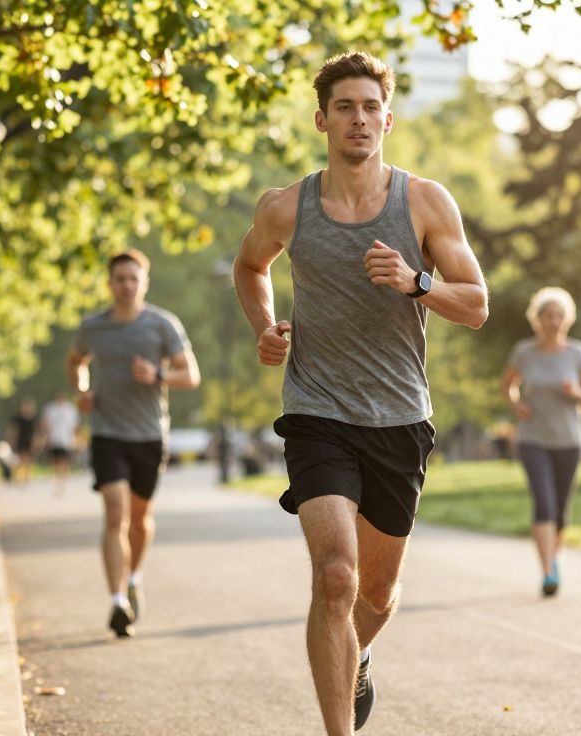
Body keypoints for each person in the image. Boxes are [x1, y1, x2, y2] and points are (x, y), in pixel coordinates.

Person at [232, 51, 488, 734]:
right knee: (338, 578)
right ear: (321, 119)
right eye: (345, 106)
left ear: (389, 120)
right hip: (317, 410)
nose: (359, 118)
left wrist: (417, 282)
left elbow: (478, 304)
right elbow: (250, 266)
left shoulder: (426, 202)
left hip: (401, 417)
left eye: (371, 107)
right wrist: (266, 327)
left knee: (375, 593)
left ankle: (358, 655)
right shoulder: (287, 207)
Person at [66, 249, 201, 638]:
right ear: (110, 283)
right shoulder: (93, 327)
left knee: (140, 519)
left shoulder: (162, 325)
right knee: (115, 514)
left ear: (144, 283)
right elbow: (75, 361)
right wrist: (82, 391)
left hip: (149, 434)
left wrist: (157, 374)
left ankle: (134, 578)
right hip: (107, 433)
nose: (126, 285)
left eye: (133, 278)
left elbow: (190, 376)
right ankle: (116, 602)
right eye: (119, 278)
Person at [500, 286, 581, 597]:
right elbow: (508, 386)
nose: (554, 321)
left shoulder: (578, 352)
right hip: (533, 439)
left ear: (566, 319)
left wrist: (576, 393)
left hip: (570, 440)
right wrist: (515, 404)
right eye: (548, 315)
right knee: (543, 503)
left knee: (560, 511)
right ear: (538, 319)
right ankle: (547, 572)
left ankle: (553, 559)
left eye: (559, 316)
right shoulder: (524, 352)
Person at [40, 392, 80, 495]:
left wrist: (76, 440)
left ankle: (63, 481)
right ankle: (57, 480)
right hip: (54, 440)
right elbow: (46, 424)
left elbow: (75, 426)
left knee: (65, 462)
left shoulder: (71, 409)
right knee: (55, 462)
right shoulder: (50, 409)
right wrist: (46, 438)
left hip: (67, 441)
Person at [6, 398, 39, 486]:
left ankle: (26, 477)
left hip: (30, 441)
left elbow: (36, 431)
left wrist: (36, 441)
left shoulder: (33, 418)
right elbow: (13, 429)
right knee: (20, 459)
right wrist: (11, 439)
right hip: (20, 440)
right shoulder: (18, 418)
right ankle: (17, 476)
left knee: (29, 460)